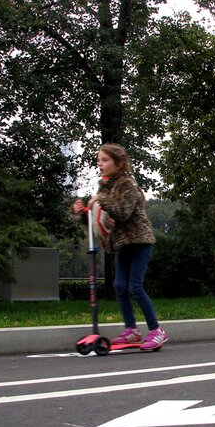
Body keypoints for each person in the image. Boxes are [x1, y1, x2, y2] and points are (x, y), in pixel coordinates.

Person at [71, 143, 168, 351]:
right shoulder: (104, 187)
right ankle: (131, 330)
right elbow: (100, 219)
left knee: (135, 286)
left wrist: (100, 200)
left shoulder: (128, 185)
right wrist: (82, 214)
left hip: (139, 241)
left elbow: (122, 212)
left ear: (120, 164)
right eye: (98, 160)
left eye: (105, 160)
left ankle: (156, 331)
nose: (100, 164)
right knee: (119, 286)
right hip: (122, 244)